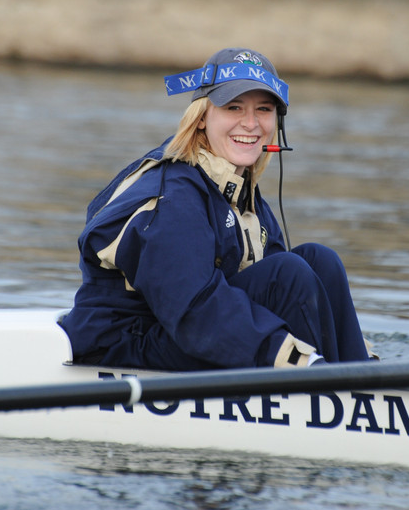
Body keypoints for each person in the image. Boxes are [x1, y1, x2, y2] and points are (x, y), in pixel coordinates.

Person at [60, 47, 372, 370]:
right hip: (121, 345)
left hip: (183, 330)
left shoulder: (241, 193)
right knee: (287, 277)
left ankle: (359, 373)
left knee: (320, 262)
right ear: (201, 118)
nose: (250, 123)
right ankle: (324, 387)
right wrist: (297, 360)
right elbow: (196, 311)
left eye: (263, 109)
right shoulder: (174, 197)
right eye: (233, 107)